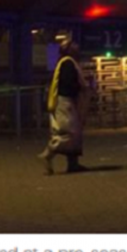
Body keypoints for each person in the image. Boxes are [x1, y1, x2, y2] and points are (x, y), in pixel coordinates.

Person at [38, 40, 89, 175]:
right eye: (74, 45)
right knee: (69, 133)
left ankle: (73, 163)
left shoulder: (66, 63)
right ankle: (47, 154)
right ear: (69, 50)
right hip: (65, 102)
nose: (77, 47)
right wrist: (82, 88)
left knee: (74, 132)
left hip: (64, 101)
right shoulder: (68, 63)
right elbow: (69, 85)